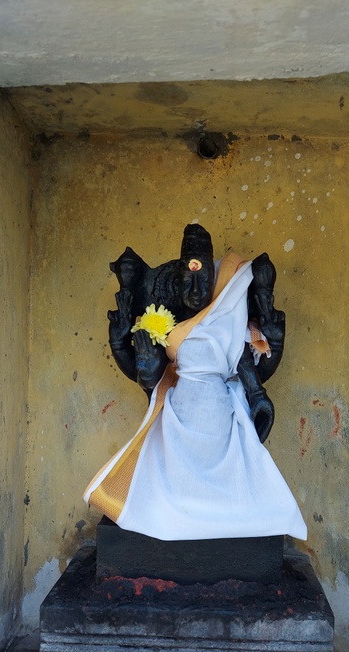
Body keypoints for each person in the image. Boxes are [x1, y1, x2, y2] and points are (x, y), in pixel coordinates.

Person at [83, 227, 307, 542]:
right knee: (175, 474)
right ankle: (177, 516)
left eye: (204, 279)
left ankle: (223, 516)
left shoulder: (226, 318)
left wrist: (258, 396)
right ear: (176, 280)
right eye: (188, 279)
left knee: (225, 476)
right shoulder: (165, 322)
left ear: (214, 279)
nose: (197, 288)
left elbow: (243, 360)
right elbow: (149, 374)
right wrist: (129, 350)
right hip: (180, 409)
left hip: (218, 411)